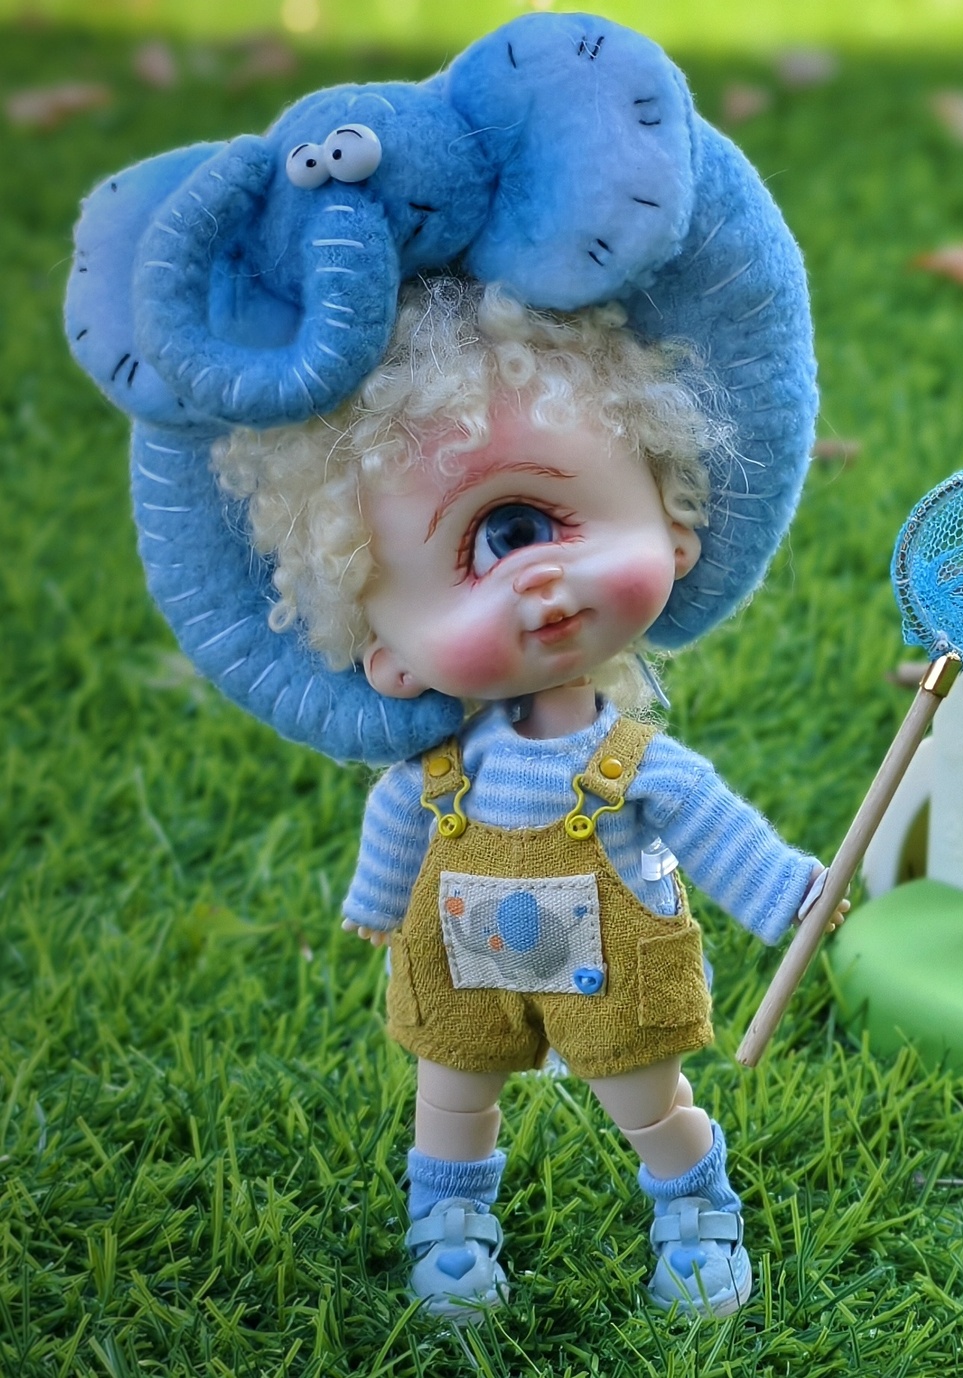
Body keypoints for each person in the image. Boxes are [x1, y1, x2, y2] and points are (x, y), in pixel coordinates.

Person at [213, 272, 839, 1321]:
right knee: (451, 1098)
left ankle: (694, 1206)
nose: (533, 580)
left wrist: (786, 892)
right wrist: (376, 901)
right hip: (462, 973)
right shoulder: (441, 769)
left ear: (673, 532)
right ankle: (451, 1225)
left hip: (613, 982)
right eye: (482, 551)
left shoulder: (633, 765)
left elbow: (713, 827)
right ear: (389, 656)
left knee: (647, 1101)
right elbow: (397, 820)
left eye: (532, 523)